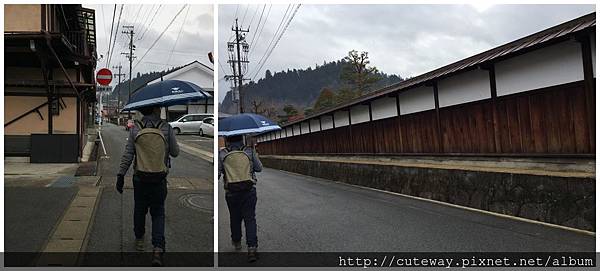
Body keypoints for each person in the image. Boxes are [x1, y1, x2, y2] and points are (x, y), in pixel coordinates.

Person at [116, 106, 179, 266]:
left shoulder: (135, 128)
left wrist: (121, 175)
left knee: (140, 209)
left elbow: (128, 154)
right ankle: (157, 249)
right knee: (158, 213)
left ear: (143, 110)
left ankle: (139, 240)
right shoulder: (167, 127)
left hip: (140, 178)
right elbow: (175, 152)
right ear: (156, 109)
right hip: (159, 178)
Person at [218, 135, 262, 262]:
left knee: (235, 217)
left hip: (231, 192)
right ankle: (252, 248)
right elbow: (259, 168)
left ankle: (237, 241)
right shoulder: (249, 151)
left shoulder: (222, 153)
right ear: (241, 138)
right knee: (250, 218)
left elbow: (217, 174)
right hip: (249, 190)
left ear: (227, 139)